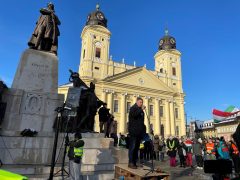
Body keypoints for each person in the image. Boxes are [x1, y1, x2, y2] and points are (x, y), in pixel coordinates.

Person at [128, 97, 145, 169]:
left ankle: (135, 162)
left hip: (139, 132)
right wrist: (141, 109)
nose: (141, 104)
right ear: (137, 102)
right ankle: (131, 162)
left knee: (137, 148)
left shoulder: (141, 111)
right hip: (133, 131)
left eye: (142, 102)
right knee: (132, 147)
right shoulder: (133, 108)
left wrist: (143, 131)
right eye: (140, 102)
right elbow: (134, 115)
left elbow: (142, 122)